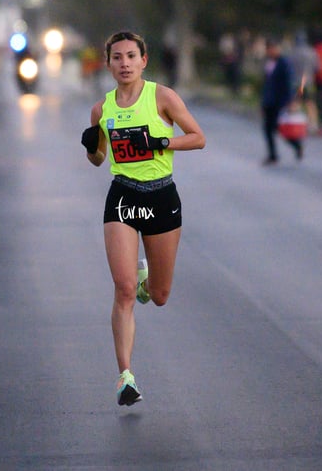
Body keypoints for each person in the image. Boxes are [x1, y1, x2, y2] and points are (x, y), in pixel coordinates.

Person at [81, 30, 206, 406]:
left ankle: (145, 282)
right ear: (108, 63)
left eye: (131, 56)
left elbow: (198, 137)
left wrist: (160, 142)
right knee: (121, 291)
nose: (124, 64)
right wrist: (91, 148)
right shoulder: (101, 110)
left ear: (143, 61)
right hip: (123, 195)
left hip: (161, 197)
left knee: (161, 295)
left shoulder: (162, 97)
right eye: (116, 57)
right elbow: (98, 158)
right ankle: (125, 378)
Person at [260, 36, 301, 165]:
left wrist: (291, 101)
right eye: (268, 48)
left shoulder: (284, 62)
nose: (270, 51)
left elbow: (289, 83)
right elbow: (267, 83)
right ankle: (273, 155)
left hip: (280, 102)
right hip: (269, 101)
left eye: (272, 48)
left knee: (279, 128)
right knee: (268, 129)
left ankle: (296, 145)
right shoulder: (269, 62)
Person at [287, 30, 319, 133]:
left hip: (295, 82)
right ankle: (313, 125)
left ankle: (293, 123)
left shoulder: (292, 52)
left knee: (295, 102)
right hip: (308, 81)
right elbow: (317, 67)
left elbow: (287, 68)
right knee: (310, 103)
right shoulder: (312, 52)